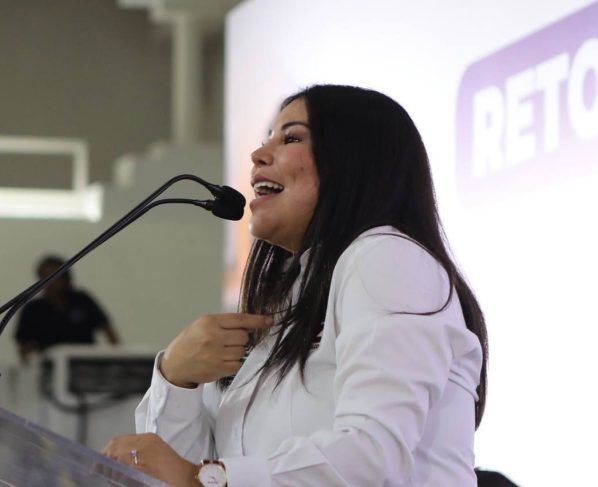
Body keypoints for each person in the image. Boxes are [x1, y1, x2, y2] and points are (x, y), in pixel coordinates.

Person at [103, 85, 488, 486]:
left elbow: (374, 454)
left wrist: (208, 479)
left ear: (354, 160)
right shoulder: (292, 295)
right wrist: (176, 379)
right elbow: (179, 476)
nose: (258, 155)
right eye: (266, 138)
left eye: (291, 137)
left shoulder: (387, 257)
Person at [14, 254, 119, 362]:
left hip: (87, 364)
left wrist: (117, 358)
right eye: (45, 277)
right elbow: (24, 345)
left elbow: (107, 329)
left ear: (66, 277)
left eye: (55, 277)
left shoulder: (82, 300)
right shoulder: (32, 309)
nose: (52, 282)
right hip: (50, 367)